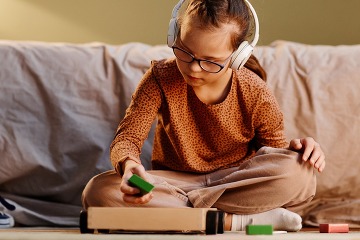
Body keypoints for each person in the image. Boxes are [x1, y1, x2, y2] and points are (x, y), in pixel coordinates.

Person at [82, 0, 325, 232]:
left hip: (234, 182)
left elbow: (272, 157)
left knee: (300, 172)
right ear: (174, 35)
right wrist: (129, 165)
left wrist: (295, 152)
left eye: (211, 61)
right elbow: (128, 138)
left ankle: (177, 216)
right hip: (173, 185)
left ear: (237, 56)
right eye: (185, 52)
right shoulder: (159, 78)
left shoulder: (255, 91)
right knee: (99, 190)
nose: (193, 68)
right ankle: (236, 221)